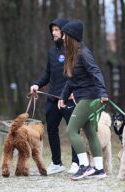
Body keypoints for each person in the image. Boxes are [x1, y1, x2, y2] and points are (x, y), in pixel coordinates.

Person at [58, 19, 109, 180]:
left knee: (71, 130)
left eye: (65, 35)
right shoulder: (72, 55)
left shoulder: (84, 53)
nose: (62, 37)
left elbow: (96, 72)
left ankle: (84, 166)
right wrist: (63, 97)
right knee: (89, 132)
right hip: (82, 97)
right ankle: (99, 170)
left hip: (90, 97)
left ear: (71, 36)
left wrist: (103, 92)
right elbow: (70, 80)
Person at [30, 18, 79, 175]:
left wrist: (75, 92)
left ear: (65, 31)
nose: (54, 32)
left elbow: (79, 74)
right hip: (53, 97)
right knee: (51, 130)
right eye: (53, 30)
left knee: (73, 130)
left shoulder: (74, 50)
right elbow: (47, 73)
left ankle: (76, 163)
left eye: (57, 30)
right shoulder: (51, 51)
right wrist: (37, 84)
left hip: (69, 98)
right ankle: (57, 163)